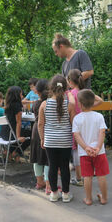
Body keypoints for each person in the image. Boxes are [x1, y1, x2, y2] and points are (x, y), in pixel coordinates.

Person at [38, 75, 75, 203]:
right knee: (64, 166)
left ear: (51, 88)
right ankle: (66, 194)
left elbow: (40, 124)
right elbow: (73, 124)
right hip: (65, 140)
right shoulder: (69, 105)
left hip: (50, 141)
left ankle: (54, 193)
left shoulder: (44, 104)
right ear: (65, 88)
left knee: (52, 166)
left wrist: (42, 139)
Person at [66, 69, 104, 186]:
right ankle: (91, 171)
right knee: (90, 146)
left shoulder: (70, 94)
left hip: (75, 125)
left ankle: (79, 178)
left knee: (77, 151)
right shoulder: (85, 92)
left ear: (70, 81)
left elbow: (69, 110)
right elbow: (101, 100)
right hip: (88, 122)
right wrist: (90, 106)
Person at [72, 89, 109, 206]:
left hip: (84, 152)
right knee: (101, 175)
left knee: (87, 176)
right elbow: (102, 133)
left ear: (80, 104)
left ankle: (88, 199)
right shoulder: (99, 116)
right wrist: (97, 147)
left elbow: (77, 136)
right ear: (93, 102)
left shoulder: (77, 118)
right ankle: (103, 198)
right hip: (99, 152)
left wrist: (86, 148)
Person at [29, 79, 51, 193]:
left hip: (35, 130)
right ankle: (49, 185)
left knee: (37, 158)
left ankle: (39, 182)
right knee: (48, 159)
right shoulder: (50, 102)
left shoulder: (36, 103)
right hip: (46, 130)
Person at [0, 86, 31, 161]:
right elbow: (18, 122)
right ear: (16, 95)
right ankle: (17, 152)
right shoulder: (17, 106)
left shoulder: (7, 104)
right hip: (11, 134)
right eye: (21, 94)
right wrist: (18, 137)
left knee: (24, 132)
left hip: (4, 133)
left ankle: (9, 151)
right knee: (31, 134)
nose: (22, 96)